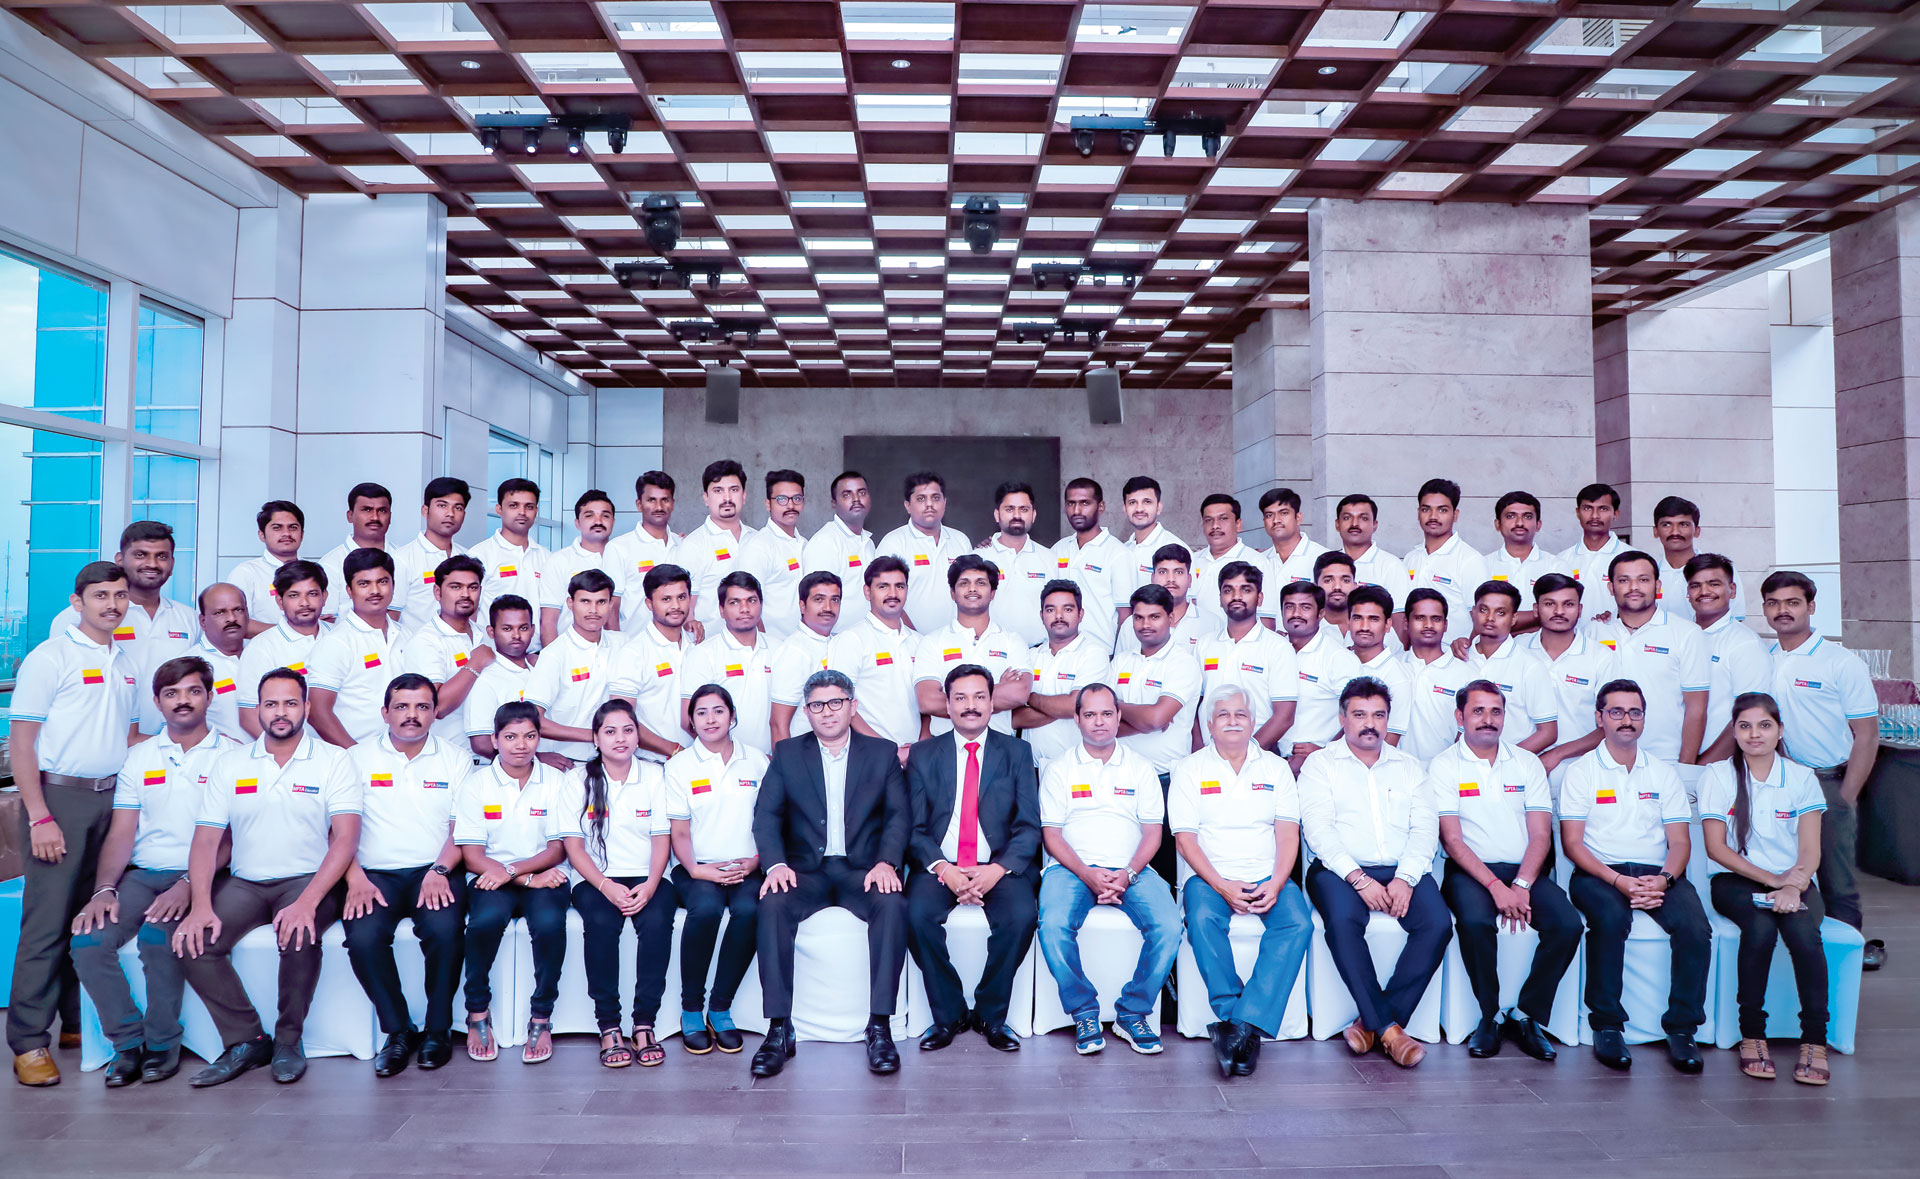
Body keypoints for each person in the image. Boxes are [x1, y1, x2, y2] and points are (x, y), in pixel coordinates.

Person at [172, 667, 362, 1086]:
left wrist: (307, 903)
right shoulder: (231, 763)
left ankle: (289, 1041)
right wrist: (200, 905)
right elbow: (206, 842)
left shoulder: (334, 760)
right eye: (271, 703)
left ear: (306, 708)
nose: (280, 712)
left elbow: (346, 838)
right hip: (246, 882)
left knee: (299, 933)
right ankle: (247, 1040)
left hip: (308, 879)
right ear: (257, 709)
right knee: (194, 943)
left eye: (290, 703)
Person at [69, 656, 238, 1087]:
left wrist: (189, 884)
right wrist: (104, 889)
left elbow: (234, 838)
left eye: (193, 691)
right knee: (87, 941)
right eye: (171, 693)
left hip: (208, 876)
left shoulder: (234, 755)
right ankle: (127, 1044)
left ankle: (163, 1044)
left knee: (158, 939)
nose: (183, 701)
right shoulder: (139, 758)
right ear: (158, 702)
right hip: (143, 875)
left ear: (210, 697)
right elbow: (121, 833)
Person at [8, 561, 142, 1087]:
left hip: (111, 800)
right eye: (101, 595)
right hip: (59, 799)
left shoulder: (124, 661)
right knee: (46, 923)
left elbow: (126, 737)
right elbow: (22, 744)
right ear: (77, 602)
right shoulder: (51, 657)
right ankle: (28, 1042)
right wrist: (40, 816)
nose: (112, 604)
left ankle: (72, 1023)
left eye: (120, 595)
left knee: (86, 916)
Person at [750, 669, 911, 1078]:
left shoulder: (881, 753)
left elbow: (898, 815)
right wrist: (776, 864)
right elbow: (766, 815)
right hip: (806, 870)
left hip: (864, 869)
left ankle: (879, 1026)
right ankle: (778, 1030)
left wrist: (887, 861)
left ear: (852, 706)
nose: (827, 712)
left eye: (836, 702)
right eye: (817, 705)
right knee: (772, 903)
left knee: (892, 904)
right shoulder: (788, 754)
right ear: (806, 712)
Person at [1560, 678, 1711, 1073]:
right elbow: (1573, 844)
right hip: (1598, 872)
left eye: (1634, 712)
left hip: (1656, 873)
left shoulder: (1662, 773)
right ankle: (1607, 1025)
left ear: (1644, 718)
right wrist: (1617, 882)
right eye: (1616, 712)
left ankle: (1682, 1028)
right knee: (1610, 919)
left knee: (1695, 928)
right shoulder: (1581, 772)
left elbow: (1680, 842)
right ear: (1600, 718)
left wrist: (1663, 880)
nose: (1626, 720)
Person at [1298, 678, 1448, 1069]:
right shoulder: (1320, 765)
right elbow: (1319, 831)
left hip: (1402, 867)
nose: (1370, 724)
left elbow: (1424, 830)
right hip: (1337, 869)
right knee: (1343, 922)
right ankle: (1392, 1033)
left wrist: (1406, 878)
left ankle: (1374, 1024)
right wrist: (1358, 879)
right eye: (1360, 714)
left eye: (1378, 715)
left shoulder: (1410, 767)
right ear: (1342, 719)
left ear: (1388, 720)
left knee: (1437, 924)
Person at [1431, 681, 1580, 1061]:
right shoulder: (1444, 765)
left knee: (1567, 924)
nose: (1488, 719)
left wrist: (1522, 884)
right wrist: (1497, 886)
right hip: (1470, 872)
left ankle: (1527, 1014)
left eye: (1495, 711)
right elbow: (1452, 840)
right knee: (1475, 923)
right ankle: (1490, 1015)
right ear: (1460, 717)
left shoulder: (1527, 763)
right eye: (1478, 711)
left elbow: (1541, 835)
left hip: (1524, 870)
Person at [1170, 687, 1311, 1079]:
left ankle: (1238, 1028)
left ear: (1253, 722)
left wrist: (1278, 882)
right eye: (1223, 714)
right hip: (1208, 875)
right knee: (1202, 920)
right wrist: (1221, 885)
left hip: (1267, 873)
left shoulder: (1276, 769)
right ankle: (1239, 1018)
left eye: (1241, 714)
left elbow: (1288, 835)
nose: (1232, 721)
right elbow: (1185, 840)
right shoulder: (1189, 769)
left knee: (1298, 923)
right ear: (1209, 724)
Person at [1037, 683, 1181, 1056]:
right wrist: (1087, 874)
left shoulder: (1141, 768)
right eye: (1089, 714)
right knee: (1052, 925)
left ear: (1118, 717)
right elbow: (1052, 836)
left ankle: (1132, 1012)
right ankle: (1084, 1011)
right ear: (1077, 719)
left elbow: (1153, 834)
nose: (1099, 722)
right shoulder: (1059, 768)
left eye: (1106, 714)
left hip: (1133, 869)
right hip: (1070, 869)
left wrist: (1128, 873)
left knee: (1169, 926)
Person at [905, 665, 1042, 1052]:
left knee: (1021, 917)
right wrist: (944, 869)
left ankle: (990, 1015)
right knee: (914, 915)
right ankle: (948, 1014)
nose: (970, 706)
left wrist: (996, 870)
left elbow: (1029, 826)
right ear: (947, 705)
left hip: (999, 866)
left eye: (979, 697)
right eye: (960, 698)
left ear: (992, 703)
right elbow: (914, 828)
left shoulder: (1017, 752)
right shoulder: (923, 754)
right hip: (941, 865)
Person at [341, 674, 471, 1077]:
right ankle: (398, 1031)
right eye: (402, 706)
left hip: (435, 868)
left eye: (421, 707)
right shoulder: (355, 759)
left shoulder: (456, 758)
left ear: (435, 712)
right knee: (363, 938)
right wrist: (354, 877)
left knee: (445, 932)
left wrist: (440, 869)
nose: (411, 715)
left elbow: (462, 829)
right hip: (373, 874)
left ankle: (438, 1029)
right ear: (385, 713)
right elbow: (338, 830)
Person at [1701, 693, 1832, 1084]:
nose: (1754, 734)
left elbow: (1810, 849)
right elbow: (1716, 848)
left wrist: (1794, 885)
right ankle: (1752, 1035)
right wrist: (1774, 881)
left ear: (1780, 730)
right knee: (1758, 930)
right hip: (1735, 880)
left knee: (1804, 933)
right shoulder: (1718, 776)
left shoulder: (1801, 778)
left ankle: (1815, 1041)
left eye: (1764, 725)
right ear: (1734, 731)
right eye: (1744, 726)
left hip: (1795, 878)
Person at [1761, 570, 1882, 969]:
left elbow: (1867, 734)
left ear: (1811, 607)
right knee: (1788, 868)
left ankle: (1847, 958)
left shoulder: (1840, 662)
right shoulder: (1765, 658)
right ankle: (1802, 954)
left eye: (1793, 602)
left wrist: (1845, 796)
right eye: (1774, 603)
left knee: (1835, 875)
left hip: (1827, 780)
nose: (1783, 611)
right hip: (1779, 780)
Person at [558, 700, 677, 1068]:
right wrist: (605, 886)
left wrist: (652, 884)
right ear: (596, 739)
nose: (620, 738)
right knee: (601, 924)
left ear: (638, 736)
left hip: (649, 874)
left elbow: (661, 839)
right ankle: (609, 1025)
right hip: (594, 877)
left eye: (628, 730)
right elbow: (574, 847)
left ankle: (644, 1024)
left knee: (657, 923)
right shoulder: (577, 779)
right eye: (610, 731)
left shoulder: (655, 776)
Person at [453, 701, 571, 1065]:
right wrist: (524, 877)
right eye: (510, 737)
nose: (521, 745)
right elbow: (472, 855)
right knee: (483, 924)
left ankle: (541, 1017)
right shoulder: (476, 784)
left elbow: (558, 848)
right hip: (492, 875)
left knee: (550, 925)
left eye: (530, 736)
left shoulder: (556, 781)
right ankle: (477, 1012)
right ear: (494, 740)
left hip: (545, 874)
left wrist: (517, 873)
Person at [665, 684, 769, 1055]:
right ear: (691, 722)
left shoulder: (756, 760)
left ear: (732, 716)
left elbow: (769, 819)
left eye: (718, 711)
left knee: (751, 910)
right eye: (701, 713)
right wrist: (697, 869)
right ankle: (691, 1008)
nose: (710, 719)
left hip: (746, 865)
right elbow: (678, 831)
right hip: (695, 867)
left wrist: (756, 860)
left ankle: (720, 1008)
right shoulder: (679, 767)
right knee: (706, 909)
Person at [52, 522, 199, 736]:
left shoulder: (188, 618)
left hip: (166, 746)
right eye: (140, 555)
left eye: (161, 556)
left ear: (172, 563)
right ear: (120, 560)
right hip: (96, 746)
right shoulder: (78, 616)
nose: (152, 563)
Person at [1110, 587, 1204, 885]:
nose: (1145, 624)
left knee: (1161, 870)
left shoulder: (1182, 663)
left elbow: (1155, 718)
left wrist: (1119, 709)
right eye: (1138, 617)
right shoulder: (1121, 661)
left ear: (1171, 618)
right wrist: (1146, 718)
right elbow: (1103, 721)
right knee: (1119, 858)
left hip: (1163, 779)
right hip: (1119, 775)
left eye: (1154, 617)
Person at [1590, 551, 1710, 765]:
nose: (1633, 587)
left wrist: (1685, 767)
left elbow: (1696, 709)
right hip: (1603, 760)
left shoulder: (1686, 633)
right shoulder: (1594, 631)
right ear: (1611, 587)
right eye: (1624, 580)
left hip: (1665, 760)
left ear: (1658, 586)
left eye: (1643, 580)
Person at [913, 554, 1031, 737]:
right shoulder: (932, 642)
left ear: (992, 593)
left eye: (981, 583)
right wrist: (998, 689)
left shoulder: (1013, 641)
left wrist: (954, 697)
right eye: (964, 583)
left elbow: (1019, 693)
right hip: (945, 744)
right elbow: (927, 701)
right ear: (953, 593)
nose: (972, 588)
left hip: (999, 744)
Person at [1519, 573, 1619, 781]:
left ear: (1580, 610)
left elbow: (1612, 724)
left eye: (1568, 604)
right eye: (1550, 604)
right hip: (1519, 771)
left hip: (1582, 773)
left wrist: (1557, 754)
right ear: (1536, 609)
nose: (1559, 611)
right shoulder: (1517, 649)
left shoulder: (1601, 657)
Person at [1193, 561, 1298, 752]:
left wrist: (1246, 753)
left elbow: (1284, 717)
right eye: (1228, 590)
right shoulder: (1205, 644)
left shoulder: (1278, 647)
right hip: (1208, 756)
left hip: (1257, 756)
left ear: (1260, 598)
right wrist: (1201, 752)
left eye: (1246, 590)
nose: (1236, 596)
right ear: (1220, 599)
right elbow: (1194, 704)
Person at [825, 556, 923, 760]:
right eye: (883, 586)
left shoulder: (920, 642)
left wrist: (920, 747)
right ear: (867, 592)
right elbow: (841, 704)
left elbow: (927, 702)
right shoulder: (852, 640)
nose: (892, 594)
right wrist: (888, 751)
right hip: (871, 757)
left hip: (915, 755)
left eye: (899, 586)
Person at [526, 570, 622, 768]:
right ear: (570, 603)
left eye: (601, 602)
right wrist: (594, 735)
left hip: (615, 762)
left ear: (611, 604)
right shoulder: (554, 654)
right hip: (568, 763)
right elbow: (533, 718)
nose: (593, 610)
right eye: (585, 601)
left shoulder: (623, 645)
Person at [397, 555, 494, 747]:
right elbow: (436, 707)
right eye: (456, 587)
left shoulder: (485, 635)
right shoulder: (426, 641)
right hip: (447, 753)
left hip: (490, 752)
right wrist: (475, 663)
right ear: (437, 592)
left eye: (472, 587)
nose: (465, 594)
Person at [1016, 580, 1115, 764]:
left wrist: (1029, 697)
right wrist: (1063, 708)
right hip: (1033, 768)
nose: (1059, 616)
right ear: (1041, 615)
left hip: (1078, 768)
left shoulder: (1093, 654)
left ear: (1081, 614)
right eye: (1050, 609)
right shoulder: (1030, 656)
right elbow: (1014, 718)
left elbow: (1075, 706)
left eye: (1068, 609)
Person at [308, 547, 399, 748]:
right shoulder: (336, 643)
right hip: (351, 756)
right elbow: (317, 714)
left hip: (402, 756)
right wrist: (358, 755)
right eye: (364, 584)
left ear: (393, 585)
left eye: (382, 582)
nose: (375, 591)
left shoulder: (407, 637)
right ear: (349, 590)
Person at [608, 564, 697, 761]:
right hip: (651, 763)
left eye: (681, 597)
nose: (675, 606)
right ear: (649, 603)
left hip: (697, 762)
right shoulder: (633, 653)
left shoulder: (698, 646)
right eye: (666, 599)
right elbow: (621, 718)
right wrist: (675, 751)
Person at [679, 572, 776, 754]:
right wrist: (730, 756)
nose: (745, 609)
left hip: (774, 760)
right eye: (734, 602)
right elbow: (688, 720)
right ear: (721, 610)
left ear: (761, 605)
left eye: (751, 600)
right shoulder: (703, 654)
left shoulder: (779, 649)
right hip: (725, 761)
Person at [1686, 553, 1770, 762]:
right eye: (1695, 586)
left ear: (1732, 590)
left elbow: (1749, 715)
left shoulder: (1745, 644)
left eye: (1714, 584)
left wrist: (1701, 766)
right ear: (1688, 593)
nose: (1704, 591)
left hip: (1716, 763)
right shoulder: (1681, 636)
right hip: (1677, 759)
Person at [1461, 581, 1560, 755]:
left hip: (1511, 766)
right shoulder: (1459, 657)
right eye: (1484, 610)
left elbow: (1548, 733)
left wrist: (1504, 760)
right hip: (1460, 763)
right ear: (1474, 612)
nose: (1490, 618)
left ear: (1513, 618)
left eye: (1500, 612)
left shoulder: (1530, 665)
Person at [1276, 581, 1362, 771]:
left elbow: (1359, 714)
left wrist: (1325, 753)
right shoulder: (1273, 650)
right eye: (1289, 607)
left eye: (1305, 607)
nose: (1296, 613)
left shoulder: (1337, 657)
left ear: (1321, 614)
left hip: (1320, 766)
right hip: (1271, 760)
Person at [238, 561, 330, 739]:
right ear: (280, 601)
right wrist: (287, 750)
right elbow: (248, 717)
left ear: (324, 596)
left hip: (345, 748)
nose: (304, 603)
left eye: (312, 594)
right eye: (294, 595)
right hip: (290, 751)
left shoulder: (341, 637)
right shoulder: (261, 647)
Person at [878, 471, 972, 634]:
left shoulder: (961, 541)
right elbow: (883, 598)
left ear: (944, 502)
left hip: (955, 640)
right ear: (908, 505)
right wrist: (915, 637)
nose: (929, 504)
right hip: (907, 640)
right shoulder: (893, 543)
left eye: (935, 498)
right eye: (921, 499)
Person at [1049, 477, 1132, 651]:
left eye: (1085, 503)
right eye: (1071, 503)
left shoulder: (1118, 553)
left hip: (1101, 652)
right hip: (1060, 653)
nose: (1076, 510)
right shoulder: (1058, 549)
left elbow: (1125, 616)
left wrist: (1118, 657)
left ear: (1101, 506)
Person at [1406, 478, 1489, 644]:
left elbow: (1484, 618)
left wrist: (1465, 647)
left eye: (1442, 510)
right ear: (1418, 513)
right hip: (1414, 654)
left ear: (1455, 515)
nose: (1433, 516)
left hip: (1455, 655)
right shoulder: (1411, 558)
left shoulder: (1470, 560)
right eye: (1426, 509)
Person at [681, 460, 759, 635]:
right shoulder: (693, 545)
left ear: (744, 496)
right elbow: (684, 607)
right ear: (706, 498)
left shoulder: (758, 540)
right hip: (709, 644)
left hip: (755, 643)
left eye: (734, 490)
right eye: (718, 491)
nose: (727, 498)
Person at [1399, 589, 1474, 761]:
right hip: (1393, 770)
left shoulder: (1467, 675)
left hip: (1445, 771)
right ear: (1406, 622)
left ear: (1446, 625)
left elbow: (1470, 733)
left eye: (1436, 619)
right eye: (1420, 618)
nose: (1428, 625)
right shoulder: (1393, 667)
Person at [541, 489, 622, 647]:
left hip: (618, 650)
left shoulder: (626, 556)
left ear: (613, 521)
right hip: (571, 652)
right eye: (589, 515)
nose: (598, 521)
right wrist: (553, 657)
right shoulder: (559, 561)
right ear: (577, 522)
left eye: (605, 516)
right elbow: (548, 621)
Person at [604, 472, 682, 632]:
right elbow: (611, 606)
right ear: (639, 504)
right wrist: (617, 643)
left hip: (678, 642)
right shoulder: (619, 548)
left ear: (673, 504)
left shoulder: (683, 545)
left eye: (665, 500)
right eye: (651, 500)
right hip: (633, 642)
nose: (659, 507)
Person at [469, 477, 552, 627]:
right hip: (490, 642)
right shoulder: (479, 555)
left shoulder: (547, 558)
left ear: (536, 511)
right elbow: (468, 613)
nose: (522, 512)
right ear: (499, 509)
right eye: (513, 505)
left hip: (537, 642)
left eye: (529, 507)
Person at [464, 595, 538, 762]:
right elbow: (481, 743)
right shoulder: (486, 679)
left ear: (532, 630)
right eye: (507, 629)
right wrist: (537, 759)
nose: (516, 635)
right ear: (491, 632)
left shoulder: (540, 669)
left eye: (523, 628)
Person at [770, 572, 842, 742]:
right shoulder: (794, 651)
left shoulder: (839, 643)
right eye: (819, 599)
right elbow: (778, 724)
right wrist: (786, 759)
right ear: (802, 606)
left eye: (834, 600)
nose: (828, 607)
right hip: (805, 750)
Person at [391, 477, 471, 627]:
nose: (450, 513)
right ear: (425, 510)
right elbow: (391, 619)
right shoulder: (402, 559)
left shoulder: (469, 557)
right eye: (442, 505)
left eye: (458, 508)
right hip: (416, 641)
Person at [981, 481, 1053, 648]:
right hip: (990, 652)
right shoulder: (979, 558)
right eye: (1009, 509)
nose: (1017, 515)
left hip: (1038, 652)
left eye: (1024, 509)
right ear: (997, 515)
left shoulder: (1050, 559)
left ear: (1033, 515)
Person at [804, 469, 878, 632]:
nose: (856, 499)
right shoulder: (825, 543)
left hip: (866, 636)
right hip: (835, 637)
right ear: (834, 503)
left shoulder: (868, 542)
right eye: (847, 495)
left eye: (861, 493)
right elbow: (816, 602)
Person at [1653, 495, 1746, 623]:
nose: (1675, 532)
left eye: (1683, 524)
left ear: (1697, 531)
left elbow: (1735, 620)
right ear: (1656, 531)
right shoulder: (1650, 575)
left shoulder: (1719, 570)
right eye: (1667, 524)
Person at [1483, 491, 1566, 634]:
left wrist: (1502, 624)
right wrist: (1540, 616)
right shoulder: (1483, 565)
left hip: (1542, 647)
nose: (1519, 523)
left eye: (1527, 516)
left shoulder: (1556, 566)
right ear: (1497, 524)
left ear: (1538, 524)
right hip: (1495, 647)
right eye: (1511, 516)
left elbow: (1561, 615)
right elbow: (1480, 619)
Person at [1117, 545, 1220, 657]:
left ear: (1190, 580)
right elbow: (1121, 664)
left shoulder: (1212, 623)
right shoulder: (1130, 624)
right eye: (1163, 572)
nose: (1171, 579)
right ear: (1152, 578)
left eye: (1178, 572)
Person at [742, 469, 806, 643]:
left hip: (802, 644)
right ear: (768, 504)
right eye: (782, 499)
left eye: (797, 498)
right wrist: (764, 646)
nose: (790, 506)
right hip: (772, 645)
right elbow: (747, 602)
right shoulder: (759, 547)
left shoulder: (805, 545)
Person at [230, 500, 306, 635]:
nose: (286, 533)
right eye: (277, 528)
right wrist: (292, 632)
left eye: (293, 527)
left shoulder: (316, 571)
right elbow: (235, 623)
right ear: (262, 535)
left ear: (302, 534)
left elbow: (329, 619)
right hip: (263, 647)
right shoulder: (246, 573)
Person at [317, 483, 393, 619]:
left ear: (390, 516)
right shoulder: (330, 565)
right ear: (350, 516)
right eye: (367, 510)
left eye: (382, 510)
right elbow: (326, 621)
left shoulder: (404, 558)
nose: (375, 517)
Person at [1346, 585, 1410, 744]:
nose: (1364, 627)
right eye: (1358, 618)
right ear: (1348, 621)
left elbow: (1389, 741)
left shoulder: (1397, 678)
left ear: (1388, 625)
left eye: (1373, 619)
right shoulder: (1337, 660)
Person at [192, 583, 250, 741]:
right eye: (220, 612)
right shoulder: (188, 666)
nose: (231, 618)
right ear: (203, 621)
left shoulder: (263, 654)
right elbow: (177, 728)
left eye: (238, 610)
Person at [1334, 494, 1409, 612]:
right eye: (1347, 518)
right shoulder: (1327, 564)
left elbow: (1398, 618)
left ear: (1374, 525)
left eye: (1363, 518)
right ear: (1337, 524)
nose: (1354, 524)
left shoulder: (1391, 566)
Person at [1259, 487, 1330, 607]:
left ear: (1298, 518)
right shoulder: (1258, 561)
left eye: (1284, 513)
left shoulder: (1323, 558)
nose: (1276, 520)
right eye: (1269, 515)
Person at [1119, 475, 1189, 596]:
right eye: (1132, 502)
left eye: (1147, 502)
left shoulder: (1176, 547)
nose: (1139, 509)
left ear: (1158, 507)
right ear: (1125, 509)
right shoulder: (1122, 550)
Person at [1191, 495, 1261, 613]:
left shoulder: (1256, 561)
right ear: (1203, 526)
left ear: (1238, 524)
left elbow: (1266, 617)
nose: (1215, 526)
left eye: (1223, 519)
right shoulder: (1192, 560)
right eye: (1209, 520)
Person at [1557, 482, 1629, 597]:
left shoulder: (1633, 558)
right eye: (1587, 508)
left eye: (1603, 509)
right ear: (1578, 513)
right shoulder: (1561, 561)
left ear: (1615, 514)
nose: (1594, 516)